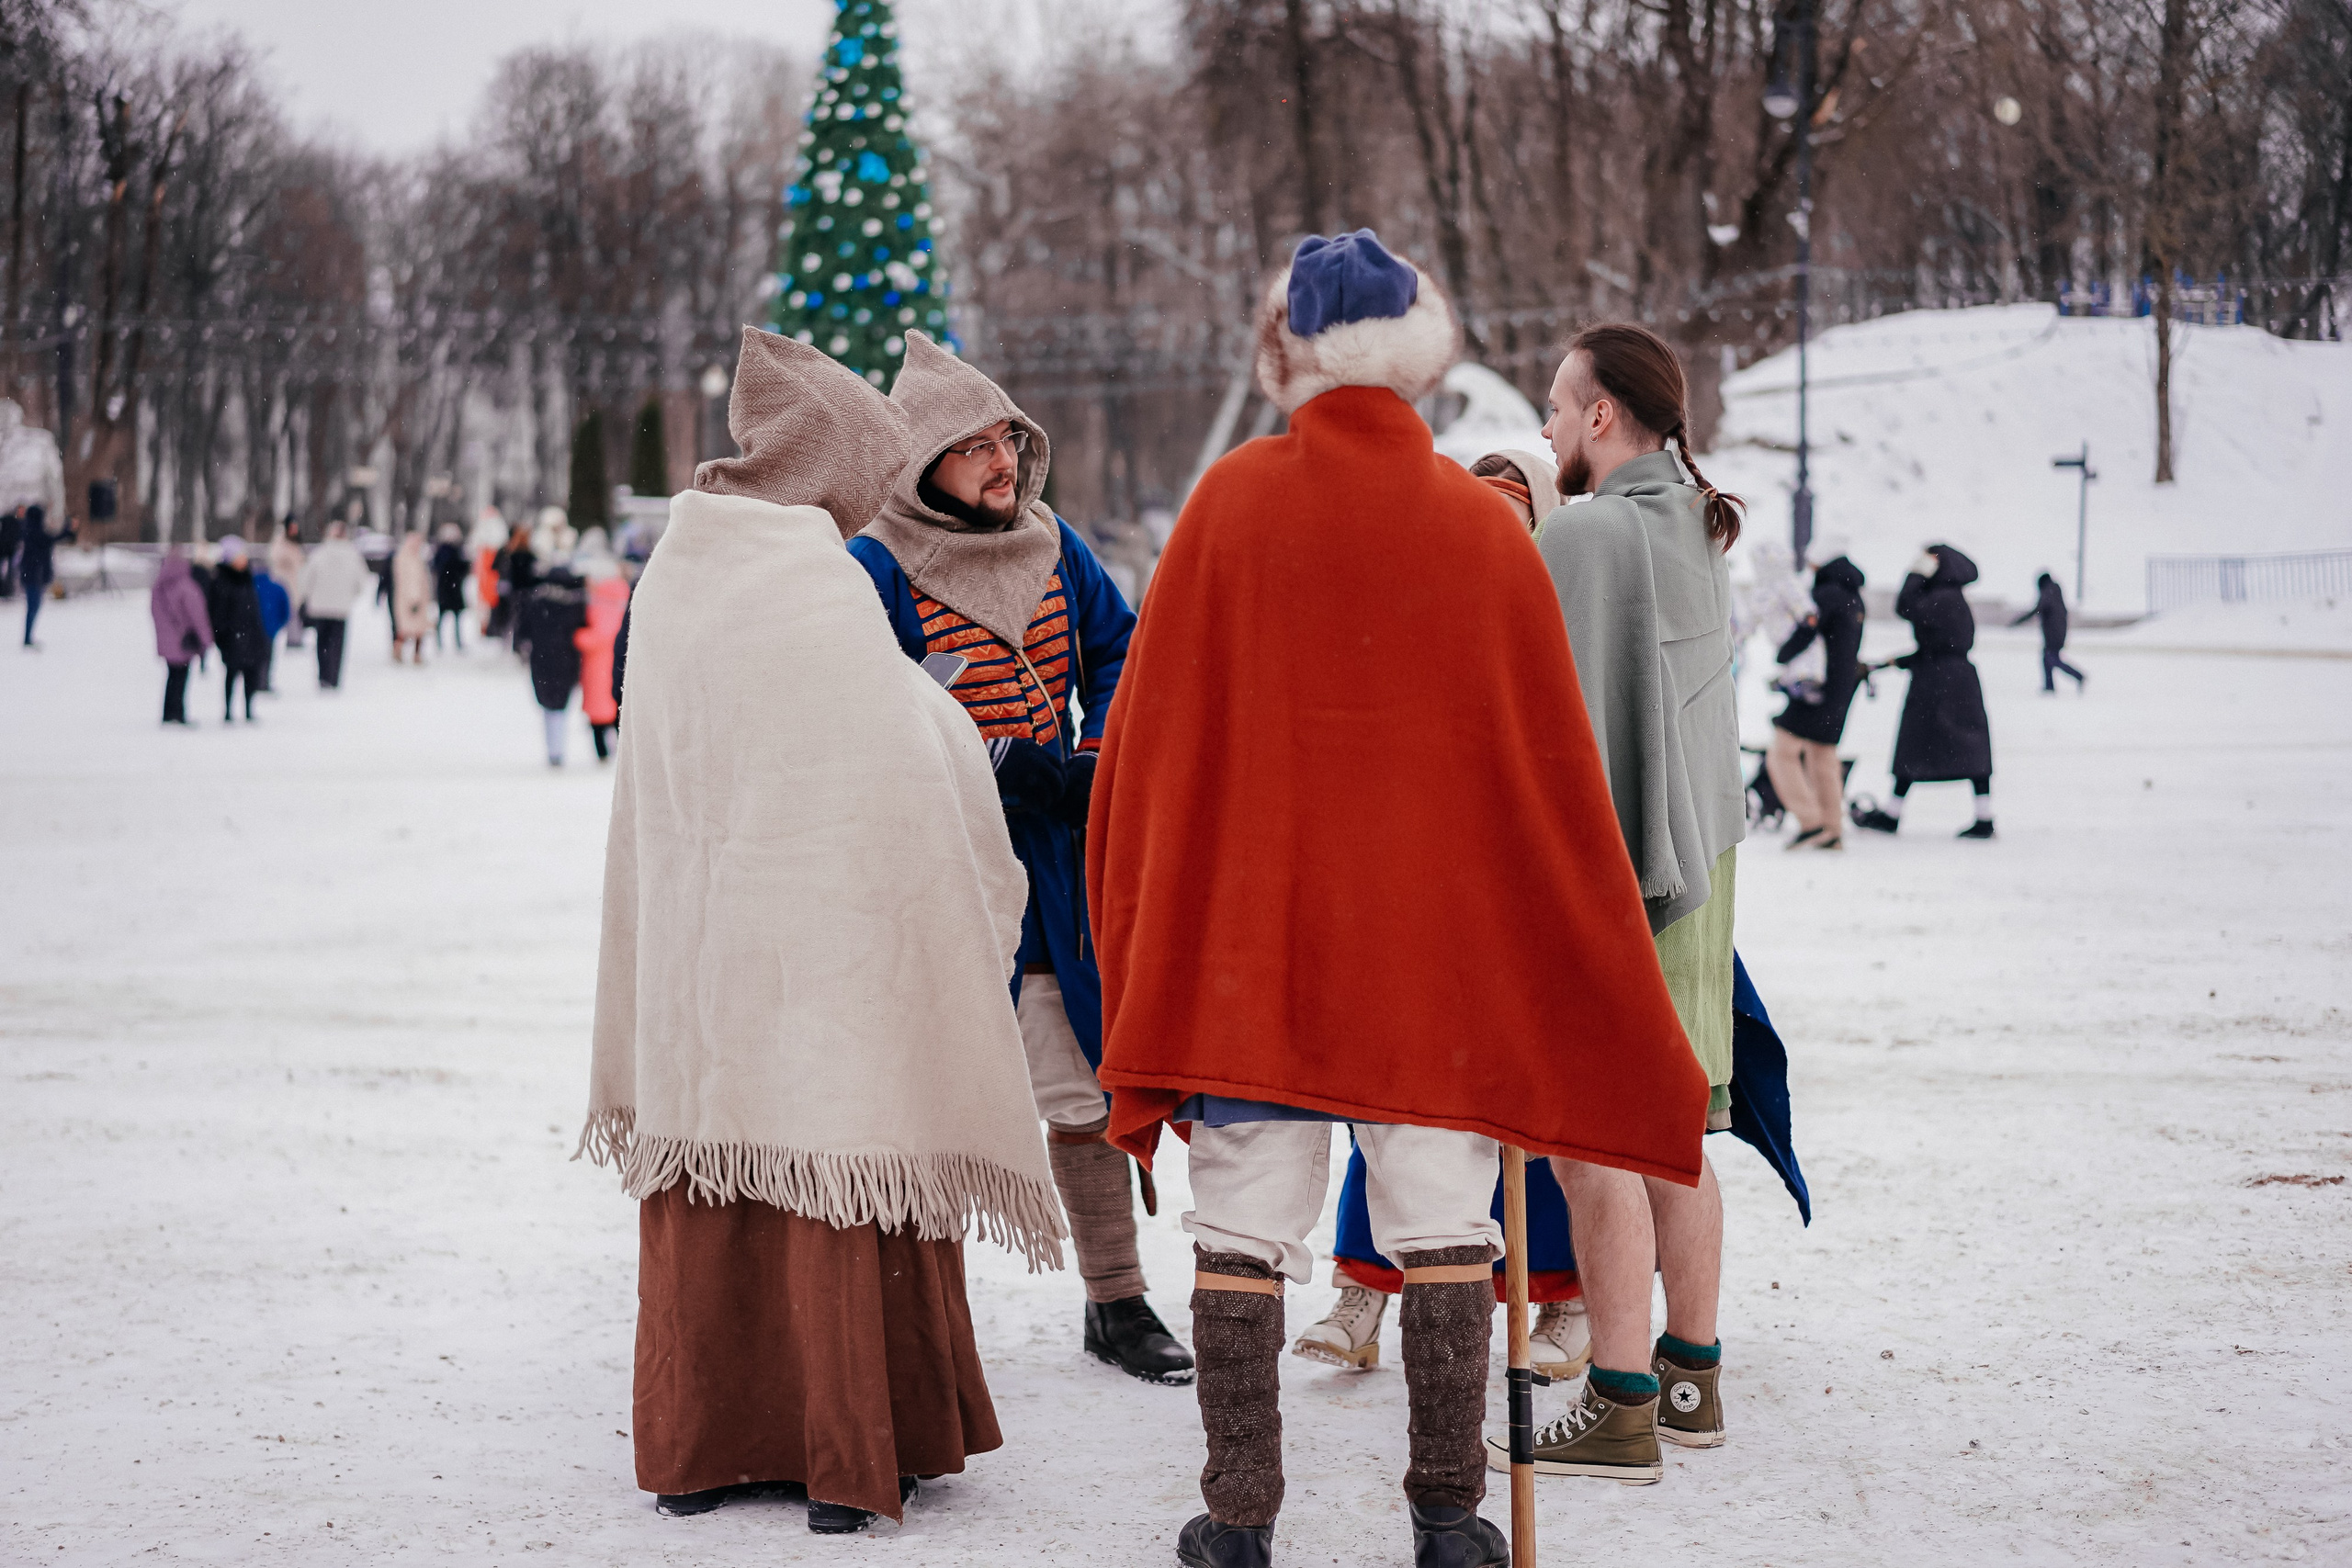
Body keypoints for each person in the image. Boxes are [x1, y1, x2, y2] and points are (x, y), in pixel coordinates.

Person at [1090, 231, 1706, 1568]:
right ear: (1424, 361)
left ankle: (1238, 1518)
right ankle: (1448, 1516)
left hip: (1259, 945)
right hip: (1432, 959)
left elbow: (1144, 751)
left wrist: (1150, 929)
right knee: (1441, 1222)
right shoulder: (1477, 528)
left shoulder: (1226, 508)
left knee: (1244, 1225)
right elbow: (1547, 776)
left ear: (1287, 352)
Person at [578, 327, 1061, 1535]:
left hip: (705, 946)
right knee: (836, 1141)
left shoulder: (685, 567)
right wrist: (952, 728)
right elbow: (894, 742)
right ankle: (842, 1448)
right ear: (828, 463)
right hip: (823, 943)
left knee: (719, 1159)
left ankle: (700, 1441)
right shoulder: (805, 570)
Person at [847, 331, 1190, 1388]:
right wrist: (992, 756)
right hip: (937, 865)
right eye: (972, 447)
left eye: (1006, 439)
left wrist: (1094, 756)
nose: (1000, 462)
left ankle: (1115, 1300)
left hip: (1054, 866)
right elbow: (872, 702)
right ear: (921, 466)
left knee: (1079, 1085)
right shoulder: (875, 564)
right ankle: (914, 1329)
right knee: (924, 1094)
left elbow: (1120, 651)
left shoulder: (1054, 543)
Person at [1521, 322, 1749, 1483]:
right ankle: (1689, 1383)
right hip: (1702, 883)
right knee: (1678, 1136)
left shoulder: (1589, 532)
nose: (1547, 426)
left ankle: (1616, 1408)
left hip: (1620, 881)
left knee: (1594, 1147)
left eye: (1557, 406)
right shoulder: (1694, 525)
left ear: (1602, 416)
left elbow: (1547, 732)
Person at [1851, 545, 1996, 840]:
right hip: (1958, 680)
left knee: (1914, 745)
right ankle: (1984, 817)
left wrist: (1916, 573)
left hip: (1937, 683)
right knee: (1971, 748)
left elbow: (1904, 606)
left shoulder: (1942, 597)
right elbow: (1939, 646)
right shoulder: (1953, 596)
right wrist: (1897, 661)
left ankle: (1892, 815)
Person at [1766, 537, 1867, 850]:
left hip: (1816, 689)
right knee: (1823, 756)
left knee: (1781, 754)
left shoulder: (1827, 594)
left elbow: (1806, 630)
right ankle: (1832, 829)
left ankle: (1811, 823)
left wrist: (1782, 656)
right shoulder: (1854, 596)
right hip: (1842, 689)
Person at [520, 565, 587, 765]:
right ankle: (557, 750)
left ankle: (554, 750)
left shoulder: (537, 603)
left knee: (549, 707)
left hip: (543, 662)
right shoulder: (575, 606)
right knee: (560, 708)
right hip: (566, 662)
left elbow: (524, 632)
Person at [296, 521, 370, 690]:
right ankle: (333, 677)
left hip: (319, 607)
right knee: (337, 644)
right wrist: (349, 596)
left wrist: (308, 596)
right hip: (341, 608)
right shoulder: (352, 555)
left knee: (322, 642)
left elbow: (305, 579)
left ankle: (323, 676)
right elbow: (362, 582)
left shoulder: (319, 553)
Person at [206, 536, 271, 724]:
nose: (244, 559)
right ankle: (228, 710)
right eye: (240, 555)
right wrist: (222, 635)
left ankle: (249, 709)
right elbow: (217, 612)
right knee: (232, 673)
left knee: (251, 673)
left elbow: (253, 608)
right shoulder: (222, 580)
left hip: (251, 634)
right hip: (232, 636)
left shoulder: (247, 578)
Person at [573, 543, 628, 761]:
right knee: (615, 713)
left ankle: (604, 754)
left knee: (599, 716)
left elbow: (601, 637)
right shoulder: (620, 602)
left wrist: (579, 637)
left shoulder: (602, 604)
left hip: (599, 670)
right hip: (614, 668)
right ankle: (614, 752)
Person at [150, 550, 212, 726]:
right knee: (181, 678)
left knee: (171, 677)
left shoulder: (158, 588)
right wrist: (205, 640)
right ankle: (179, 713)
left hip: (167, 642)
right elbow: (197, 616)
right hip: (184, 641)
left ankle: (168, 713)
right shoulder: (186, 587)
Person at [2013, 571, 2085, 694]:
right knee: (2047, 659)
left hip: (2054, 634)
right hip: (2056, 632)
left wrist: (2019, 621)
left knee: (2051, 659)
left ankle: (2078, 676)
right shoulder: (2053, 591)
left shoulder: (2048, 592)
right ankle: (2049, 686)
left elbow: (2038, 609)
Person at [18, 502, 72, 649]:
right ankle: (27, 638)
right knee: (33, 606)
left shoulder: (30, 530)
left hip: (34, 575)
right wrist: (67, 529)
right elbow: (50, 539)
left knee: (34, 606)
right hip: (33, 575)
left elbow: (49, 540)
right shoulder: (33, 531)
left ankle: (28, 637)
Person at [252, 548, 290, 696]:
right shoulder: (277, 587)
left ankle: (254, 681)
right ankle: (264, 681)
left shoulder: (249, 586)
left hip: (251, 630)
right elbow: (286, 610)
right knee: (268, 656)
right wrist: (277, 625)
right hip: (270, 629)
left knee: (253, 656)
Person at [390, 531, 433, 663]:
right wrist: (415, 599)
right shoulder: (412, 559)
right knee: (416, 629)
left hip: (404, 598)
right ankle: (415, 654)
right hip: (413, 600)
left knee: (406, 628)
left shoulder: (402, 557)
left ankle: (399, 650)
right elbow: (414, 581)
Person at [269, 519, 307, 649]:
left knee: (295, 612)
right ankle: (293, 639)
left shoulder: (296, 543)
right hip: (285, 583)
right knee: (288, 611)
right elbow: (275, 557)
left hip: (296, 584)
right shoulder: (280, 543)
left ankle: (295, 638)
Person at [432, 523, 469, 651]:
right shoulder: (450, 551)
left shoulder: (447, 551)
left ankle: (447, 641)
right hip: (450, 588)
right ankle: (444, 642)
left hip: (450, 588)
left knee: (450, 618)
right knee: (449, 618)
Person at [0, 503, 20, 599]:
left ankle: (7, 590)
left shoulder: (19, 522)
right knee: (9, 571)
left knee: (11, 571)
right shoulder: (11, 521)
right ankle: (6, 590)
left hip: (10, 550)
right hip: (5, 549)